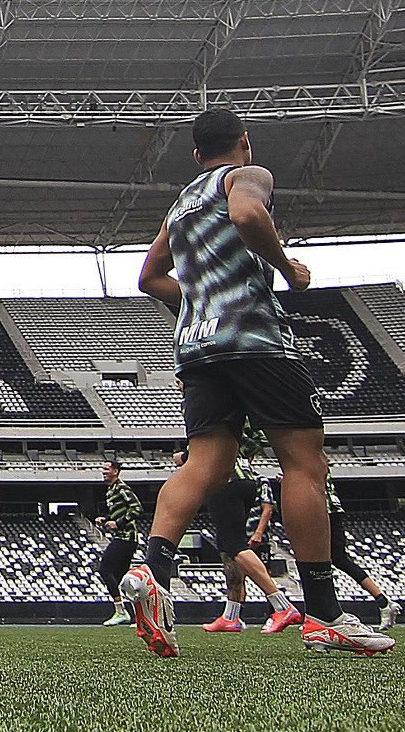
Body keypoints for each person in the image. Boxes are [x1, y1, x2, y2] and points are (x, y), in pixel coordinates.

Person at [126, 107, 392, 657]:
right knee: (304, 463)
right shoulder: (246, 176)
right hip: (255, 342)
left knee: (205, 464)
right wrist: (288, 268)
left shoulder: (179, 206)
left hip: (196, 349)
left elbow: (149, 277)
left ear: (196, 154)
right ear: (243, 141)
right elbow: (248, 217)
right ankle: (323, 613)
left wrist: (200, 300)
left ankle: (151, 566)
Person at [190, 424, 302, 633]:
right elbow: (259, 436)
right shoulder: (236, 418)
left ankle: (282, 605)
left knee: (234, 546)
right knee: (227, 549)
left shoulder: (206, 404)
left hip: (225, 481)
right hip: (246, 480)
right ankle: (231, 616)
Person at [320, 468, 400, 630]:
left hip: (323, 509)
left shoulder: (309, 456)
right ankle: (383, 602)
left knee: (323, 560)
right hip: (328, 509)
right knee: (337, 560)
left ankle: (326, 615)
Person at [94, 460, 141, 627]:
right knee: (123, 579)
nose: (103, 471)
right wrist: (106, 519)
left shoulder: (122, 488)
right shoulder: (111, 490)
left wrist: (118, 523)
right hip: (121, 537)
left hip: (126, 537)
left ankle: (121, 611)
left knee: (105, 570)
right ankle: (140, 617)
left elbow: (137, 508)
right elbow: (119, 511)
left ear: (115, 471)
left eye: (106, 469)